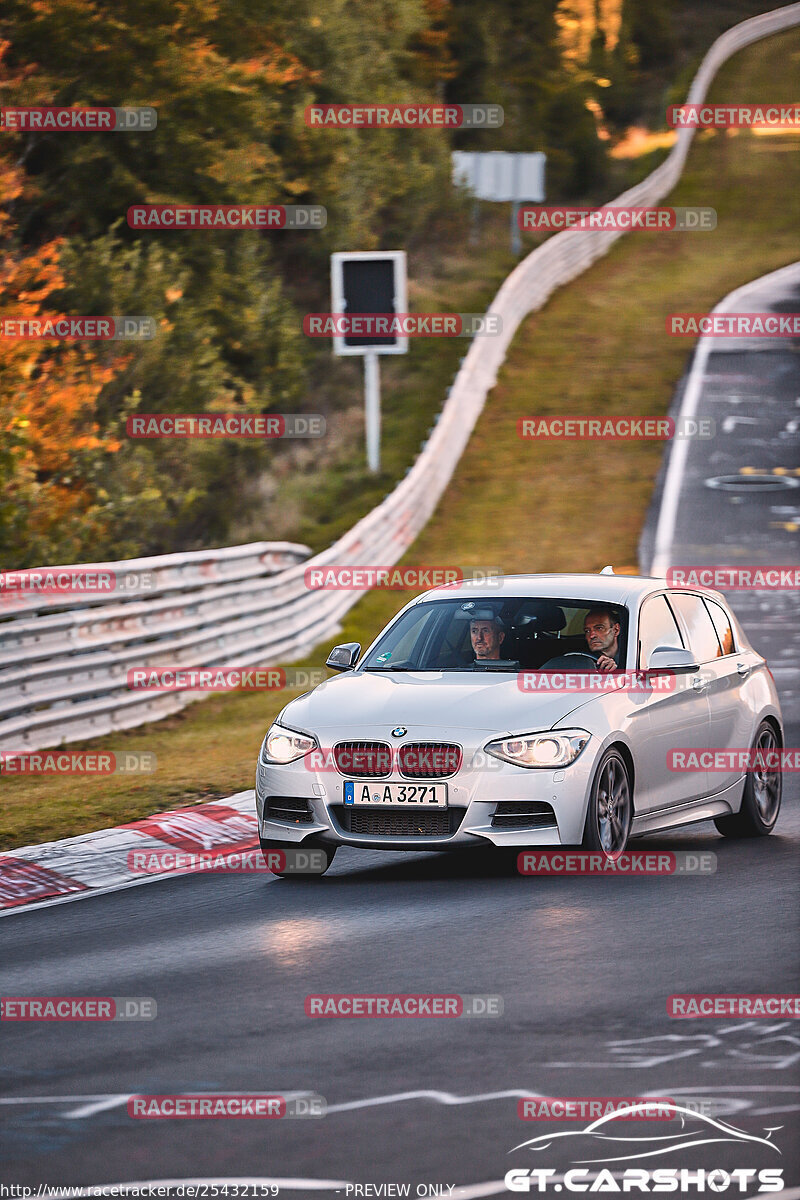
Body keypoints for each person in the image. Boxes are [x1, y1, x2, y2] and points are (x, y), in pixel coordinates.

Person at [583, 607, 622, 673]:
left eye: (599, 628)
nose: (592, 636)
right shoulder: (581, 661)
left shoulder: (633, 656)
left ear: (616, 630)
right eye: (587, 631)